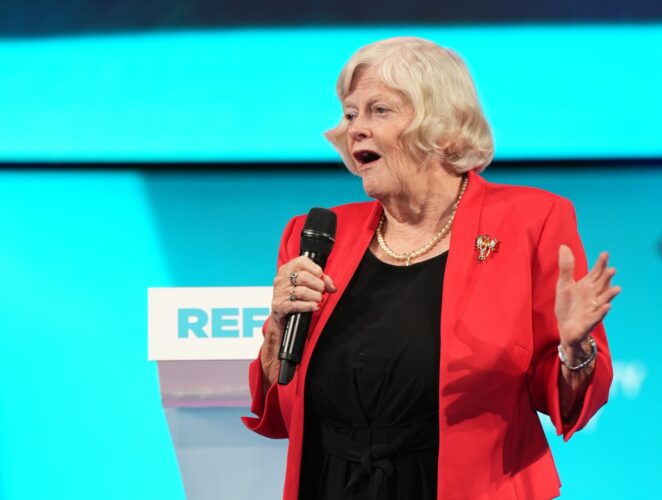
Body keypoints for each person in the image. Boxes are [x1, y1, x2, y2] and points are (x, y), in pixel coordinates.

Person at [242, 36, 620, 500]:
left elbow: (565, 402)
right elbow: (280, 412)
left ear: (441, 126)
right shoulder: (319, 234)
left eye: (379, 110)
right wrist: (278, 332)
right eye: (350, 113)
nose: (356, 128)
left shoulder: (531, 220)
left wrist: (574, 347)